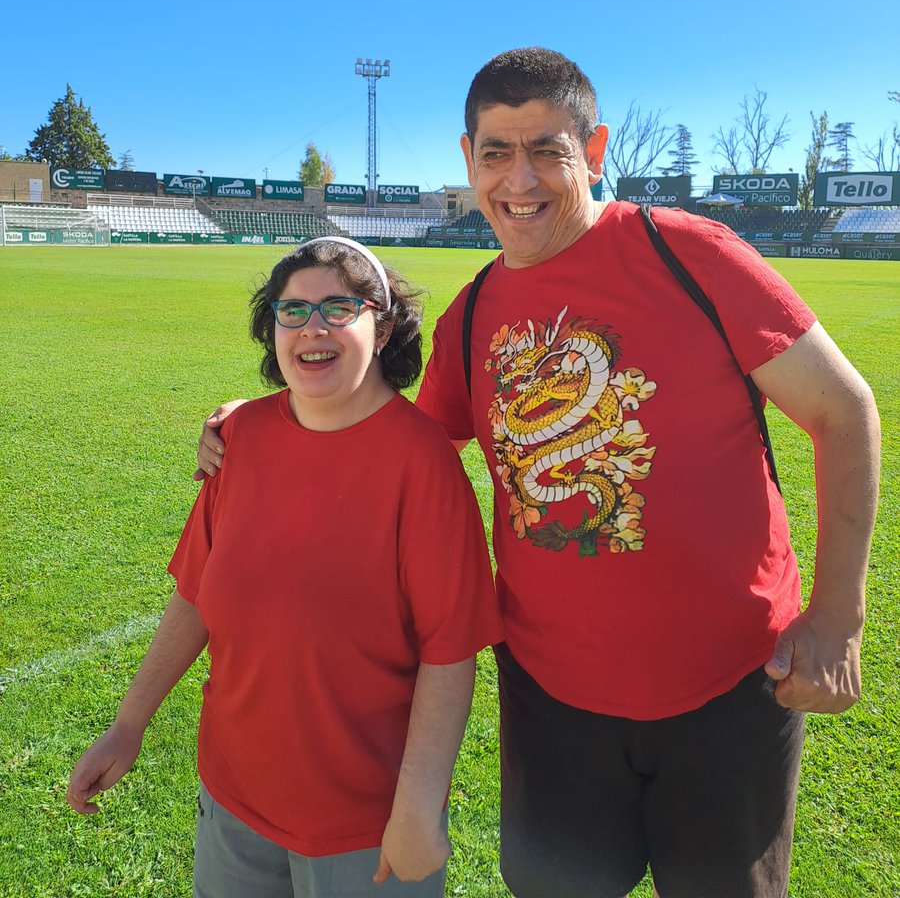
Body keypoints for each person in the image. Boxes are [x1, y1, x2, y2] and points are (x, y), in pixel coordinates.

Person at [196, 51, 881, 898]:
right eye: (495, 153)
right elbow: (398, 441)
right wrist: (266, 416)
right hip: (553, 700)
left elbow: (844, 411)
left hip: (730, 687)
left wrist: (838, 617)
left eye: (547, 151)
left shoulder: (689, 254)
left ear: (593, 151)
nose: (519, 181)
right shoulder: (474, 314)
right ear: (468, 159)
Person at [69, 237, 503, 898]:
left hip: (365, 825)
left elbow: (449, 653)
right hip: (233, 799)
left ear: (383, 328)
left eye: (338, 308)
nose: (312, 328)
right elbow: (195, 597)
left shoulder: (423, 465)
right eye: (292, 310)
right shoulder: (238, 439)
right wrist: (128, 725)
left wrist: (418, 804)